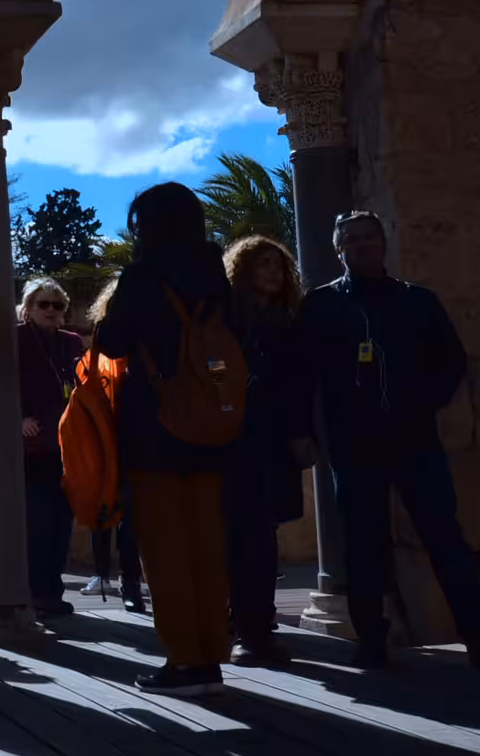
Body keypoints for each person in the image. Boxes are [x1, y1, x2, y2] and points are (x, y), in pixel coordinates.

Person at [302, 211, 480, 669]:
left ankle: (479, 636)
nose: (360, 245)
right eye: (351, 239)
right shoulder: (320, 307)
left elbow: (450, 360)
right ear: (339, 250)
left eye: (368, 237)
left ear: (384, 243)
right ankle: (372, 641)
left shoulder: (419, 302)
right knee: (361, 544)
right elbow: (302, 375)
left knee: (443, 535)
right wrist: (307, 432)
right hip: (353, 444)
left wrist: (423, 403)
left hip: (414, 439)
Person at [94, 182, 239, 697]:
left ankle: (184, 659)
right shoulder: (214, 274)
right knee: (207, 544)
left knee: (164, 547)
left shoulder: (141, 276)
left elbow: (109, 340)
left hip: (156, 427)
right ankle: (213, 654)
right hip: (210, 426)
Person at [222, 236, 316, 665]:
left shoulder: (290, 320)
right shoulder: (227, 318)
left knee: (260, 538)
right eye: (262, 265)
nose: (273, 273)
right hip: (232, 440)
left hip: (273, 439)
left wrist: (301, 433)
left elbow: (298, 384)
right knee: (239, 537)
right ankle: (242, 627)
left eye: (278, 266)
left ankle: (255, 627)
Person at [19, 277, 86, 618]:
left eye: (56, 305)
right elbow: (0, 381)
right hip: (33, 446)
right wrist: (18, 418)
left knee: (62, 522)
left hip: (68, 445)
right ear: (28, 308)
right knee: (37, 521)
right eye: (42, 304)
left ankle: (51, 590)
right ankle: (34, 591)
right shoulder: (17, 339)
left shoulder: (72, 342)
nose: (50, 310)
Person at [80, 276, 145, 615]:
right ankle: (129, 581)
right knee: (126, 513)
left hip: (151, 428)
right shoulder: (110, 341)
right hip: (116, 435)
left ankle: (133, 580)